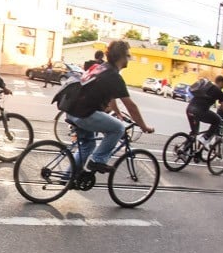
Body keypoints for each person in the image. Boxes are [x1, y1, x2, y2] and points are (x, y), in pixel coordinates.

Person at [63, 39, 154, 173]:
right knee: (118, 128)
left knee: (88, 145)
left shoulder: (101, 67)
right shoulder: (114, 76)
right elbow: (131, 106)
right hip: (84, 114)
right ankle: (97, 161)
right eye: (128, 55)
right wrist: (143, 126)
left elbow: (111, 98)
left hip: (72, 110)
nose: (129, 59)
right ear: (121, 57)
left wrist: (117, 113)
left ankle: (67, 177)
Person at [185, 75, 223, 149]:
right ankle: (205, 138)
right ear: (220, 82)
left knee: (194, 132)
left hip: (189, 109)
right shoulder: (218, 91)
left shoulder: (205, 85)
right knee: (217, 120)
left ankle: (183, 150)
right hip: (200, 111)